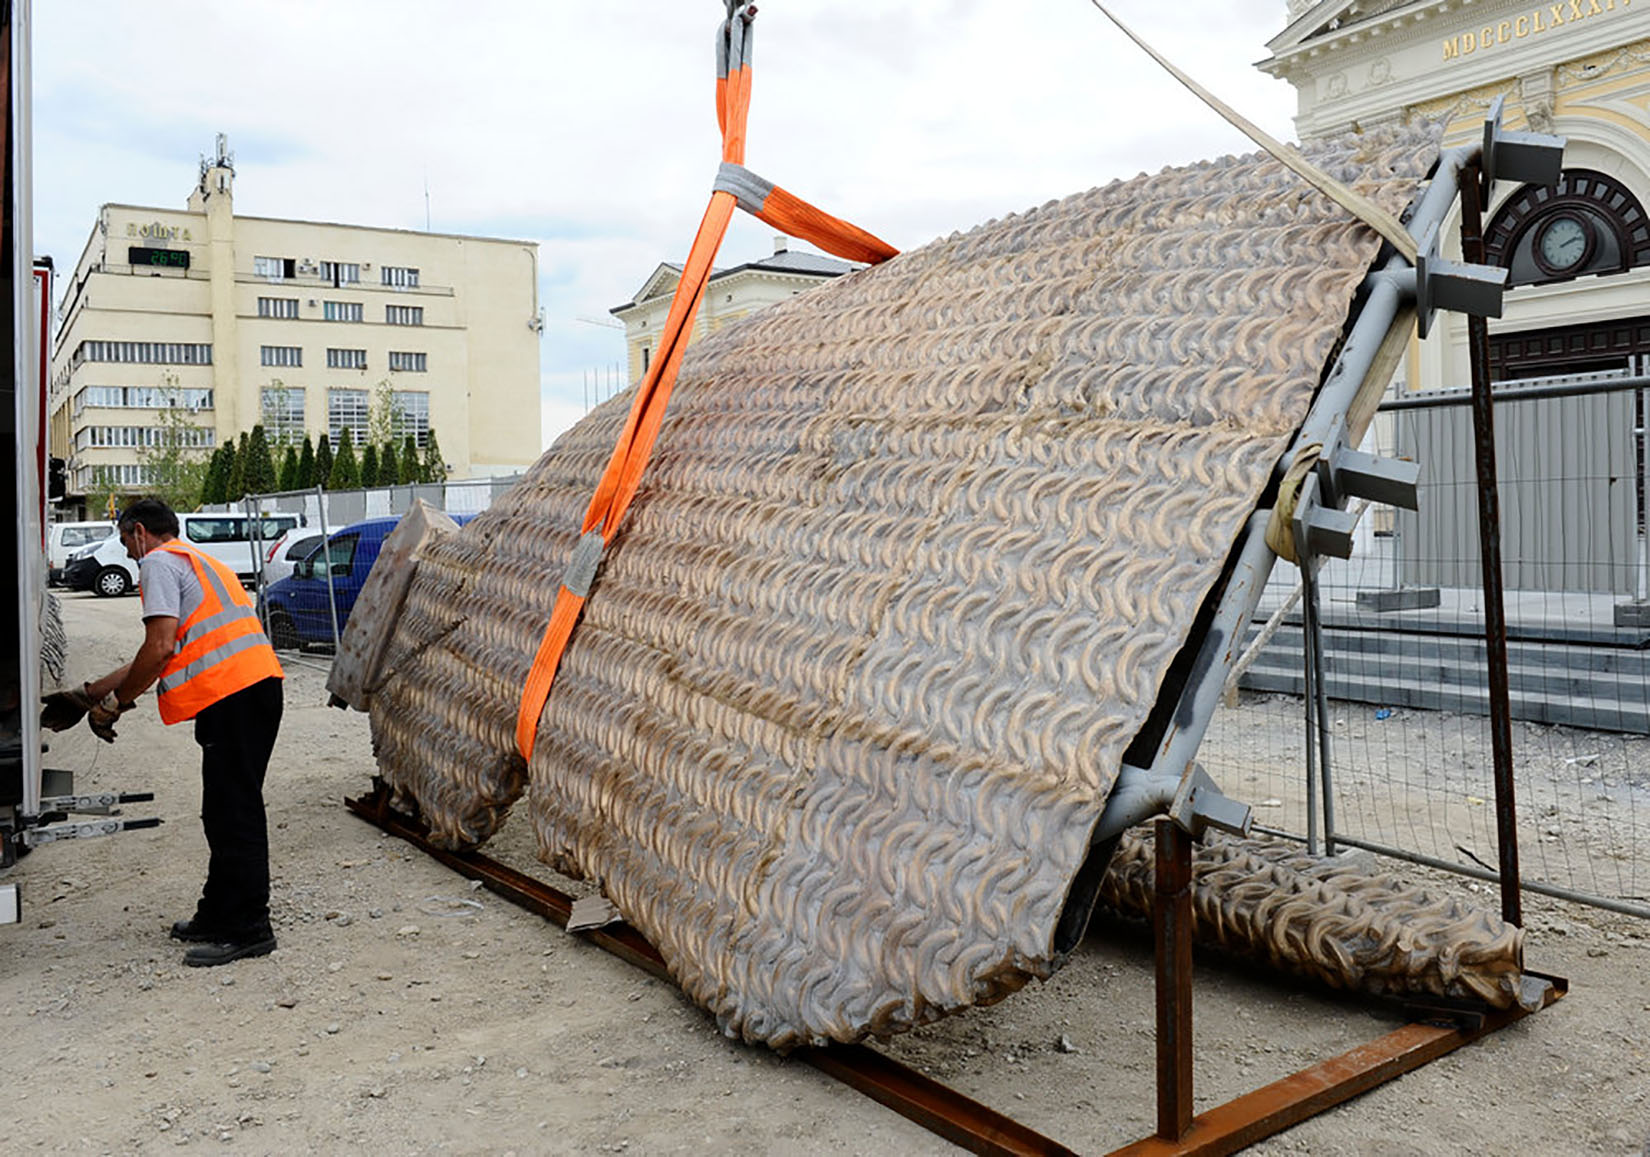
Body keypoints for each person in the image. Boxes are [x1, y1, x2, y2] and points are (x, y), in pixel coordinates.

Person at [81, 497, 285, 967]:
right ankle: (217, 913)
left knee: (235, 812)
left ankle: (250, 928)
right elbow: (158, 652)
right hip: (252, 690)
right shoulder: (198, 560)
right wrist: (89, 691)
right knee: (223, 808)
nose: (128, 554)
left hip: (234, 695)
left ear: (137, 532)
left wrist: (114, 705)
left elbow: (158, 649)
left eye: (125, 541)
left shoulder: (156, 563)